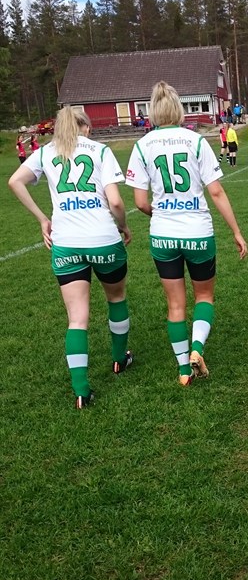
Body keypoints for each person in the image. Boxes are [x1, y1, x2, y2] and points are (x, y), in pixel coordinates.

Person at [8, 106, 132, 409]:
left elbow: (15, 181)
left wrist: (43, 219)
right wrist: (123, 226)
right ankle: (119, 359)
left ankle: (81, 390)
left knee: (77, 318)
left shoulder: (45, 152)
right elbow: (116, 202)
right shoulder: (100, 151)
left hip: (66, 244)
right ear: (85, 127)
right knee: (116, 298)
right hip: (102, 239)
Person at [126, 81, 247, 385]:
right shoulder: (196, 141)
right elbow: (216, 191)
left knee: (175, 305)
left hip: (163, 235)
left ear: (153, 111)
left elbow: (139, 202)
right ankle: (197, 349)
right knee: (204, 296)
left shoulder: (142, 146)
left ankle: (183, 370)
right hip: (197, 232)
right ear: (179, 109)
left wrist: (161, 213)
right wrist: (236, 231)